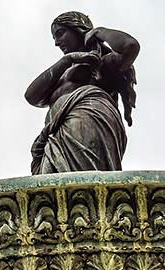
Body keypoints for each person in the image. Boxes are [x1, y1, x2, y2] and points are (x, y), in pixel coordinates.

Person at [25, 11, 140, 175]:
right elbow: (31, 96)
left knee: (84, 182)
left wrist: (98, 32)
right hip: (56, 134)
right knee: (53, 190)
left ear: (77, 29)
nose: (57, 43)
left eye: (60, 34)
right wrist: (68, 60)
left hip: (88, 120)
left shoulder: (102, 63)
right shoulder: (62, 74)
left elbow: (131, 46)